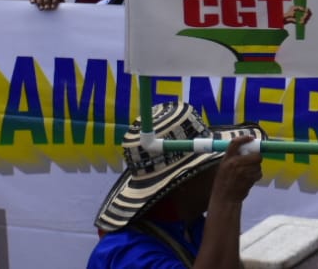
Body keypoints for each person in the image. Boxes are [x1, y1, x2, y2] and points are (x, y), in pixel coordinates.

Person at [86, 103, 264, 269]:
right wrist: (227, 200)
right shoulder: (129, 254)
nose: (220, 168)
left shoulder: (191, 225)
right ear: (183, 182)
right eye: (210, 164)